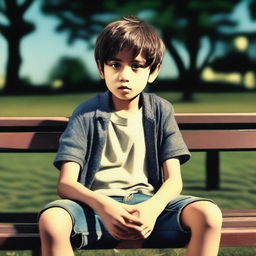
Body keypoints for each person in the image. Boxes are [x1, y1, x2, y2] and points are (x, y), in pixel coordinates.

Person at [39, 16, 222, 256]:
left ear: (153, 71)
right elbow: (66, 184)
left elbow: (174, 180)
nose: (125, 75)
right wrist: (104, 205)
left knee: (208, 214)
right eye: (115, 64)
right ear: (100, 68)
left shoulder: (160, 110)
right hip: (94, 210)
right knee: (52, 220)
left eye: (136, 66)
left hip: (149, 207)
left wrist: (152, 208)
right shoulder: (85, 113)